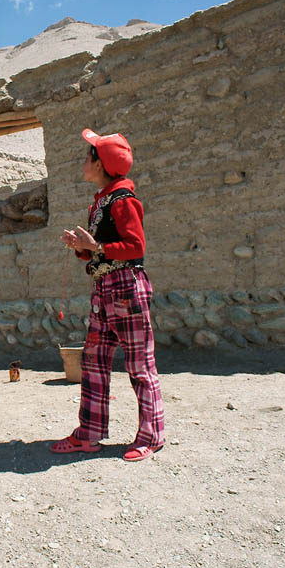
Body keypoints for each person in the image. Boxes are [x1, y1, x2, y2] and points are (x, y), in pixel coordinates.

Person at [51, 130, 165, 461]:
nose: (83, 162)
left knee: (139, 365)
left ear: (100, 164)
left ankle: (151, 435)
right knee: (94, 362)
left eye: (88, 157)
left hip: (126, 288)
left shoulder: (123, 200)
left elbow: (135, 247)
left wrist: (96, 246)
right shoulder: (101, 201)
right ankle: (89, 432)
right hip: (104, 289)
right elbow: (100, 254)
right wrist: (83, 250)